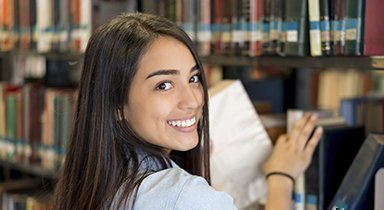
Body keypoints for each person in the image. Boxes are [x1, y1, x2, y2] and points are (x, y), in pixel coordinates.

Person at [52, 12, 323, 210]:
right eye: (164, 85)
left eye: (193, 78)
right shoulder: (186, 197)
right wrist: (281, 177)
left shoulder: (92, 182)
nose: (192, 100)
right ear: (115, 105)